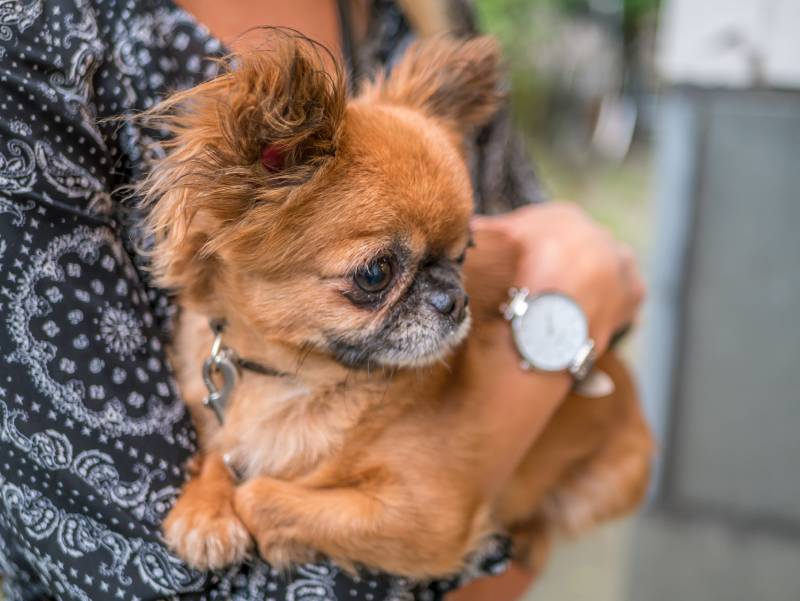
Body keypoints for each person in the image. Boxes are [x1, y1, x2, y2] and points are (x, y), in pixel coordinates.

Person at [0, 0, 644, 599]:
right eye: (373, 275)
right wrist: (572, 303)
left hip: (584, 468)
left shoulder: (419, 16)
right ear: (256, 178)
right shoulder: (40, 40)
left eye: (455, 259)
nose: (446, 302)